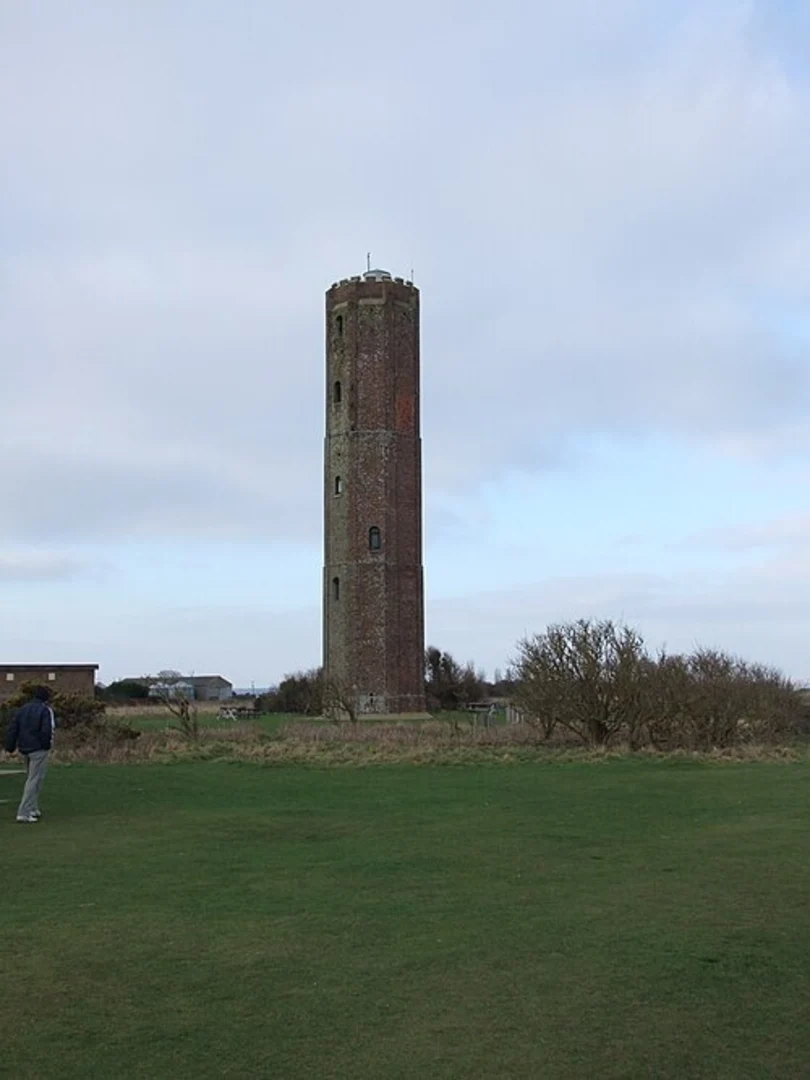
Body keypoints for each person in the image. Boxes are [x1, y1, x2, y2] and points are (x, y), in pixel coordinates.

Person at [3, 686, 56, 823]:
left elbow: (13, 728)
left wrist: (10, 746)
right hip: (38, 749)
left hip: (24, 748)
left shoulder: (22, 709)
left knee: (34, 778)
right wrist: (46, 745)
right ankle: (24, 812)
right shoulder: (44, 710)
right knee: (34, 780)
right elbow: (46, 730)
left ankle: (33, 808)